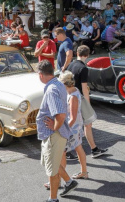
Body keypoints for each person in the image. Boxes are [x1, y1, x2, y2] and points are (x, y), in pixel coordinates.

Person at [36, 60, 77, 199]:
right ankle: (69, 182)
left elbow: (60, 115)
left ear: (41, 75)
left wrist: (54, 127)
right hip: (53, 134)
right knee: (51, 163)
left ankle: (53, 199)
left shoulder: (51, 89)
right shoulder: (57, 84)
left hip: (54, 135)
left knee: (52, 170)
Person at [65, 46, 108, 159]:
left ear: (77, 53)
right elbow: (84, 88)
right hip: (79, 99)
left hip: (70, 96)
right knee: (85, 124)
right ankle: (67, 150)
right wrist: (88, 103)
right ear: (87, 55)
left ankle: (94, 149)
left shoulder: (71, 64)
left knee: (83, 124)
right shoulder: (83, 68)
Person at [58, 71, 89, 179]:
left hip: (72, 128)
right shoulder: (74, 91)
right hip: (76, 126)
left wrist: (63, 130)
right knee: (78, 148)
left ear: (65, 84)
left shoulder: (72, 97)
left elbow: (72, 118)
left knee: (62, 152)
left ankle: (60, 179)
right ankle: (84, 172)